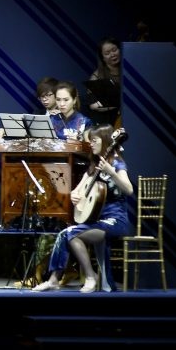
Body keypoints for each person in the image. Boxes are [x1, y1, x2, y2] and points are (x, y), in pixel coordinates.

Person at [33, 124, 133, 293]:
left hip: (115, 220)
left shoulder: (117, 164)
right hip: (96, 220)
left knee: (72, 234)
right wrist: (74, 196)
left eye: (94, 141)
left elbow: (129, 190)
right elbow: (77, 191)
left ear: (106, 141)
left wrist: (111, 172)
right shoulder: (93, 167)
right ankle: (53, 280)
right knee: (64, 234)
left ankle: (90, 276)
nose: (91, 144)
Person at [0, 76, 59, 141]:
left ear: (57, 94)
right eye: (41, 96)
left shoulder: (64, 115)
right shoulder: (37, 113)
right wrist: (3, 130)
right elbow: (24, 131)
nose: (44, 99)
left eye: (48, 95)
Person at [86, 37, 122, 127]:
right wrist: (115, 104)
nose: (112, 54)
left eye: (114, 50)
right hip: (107, 120)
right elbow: (92, 105)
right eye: (107, 53)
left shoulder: (130, 71)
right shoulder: (97, 76)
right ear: (103, 58)